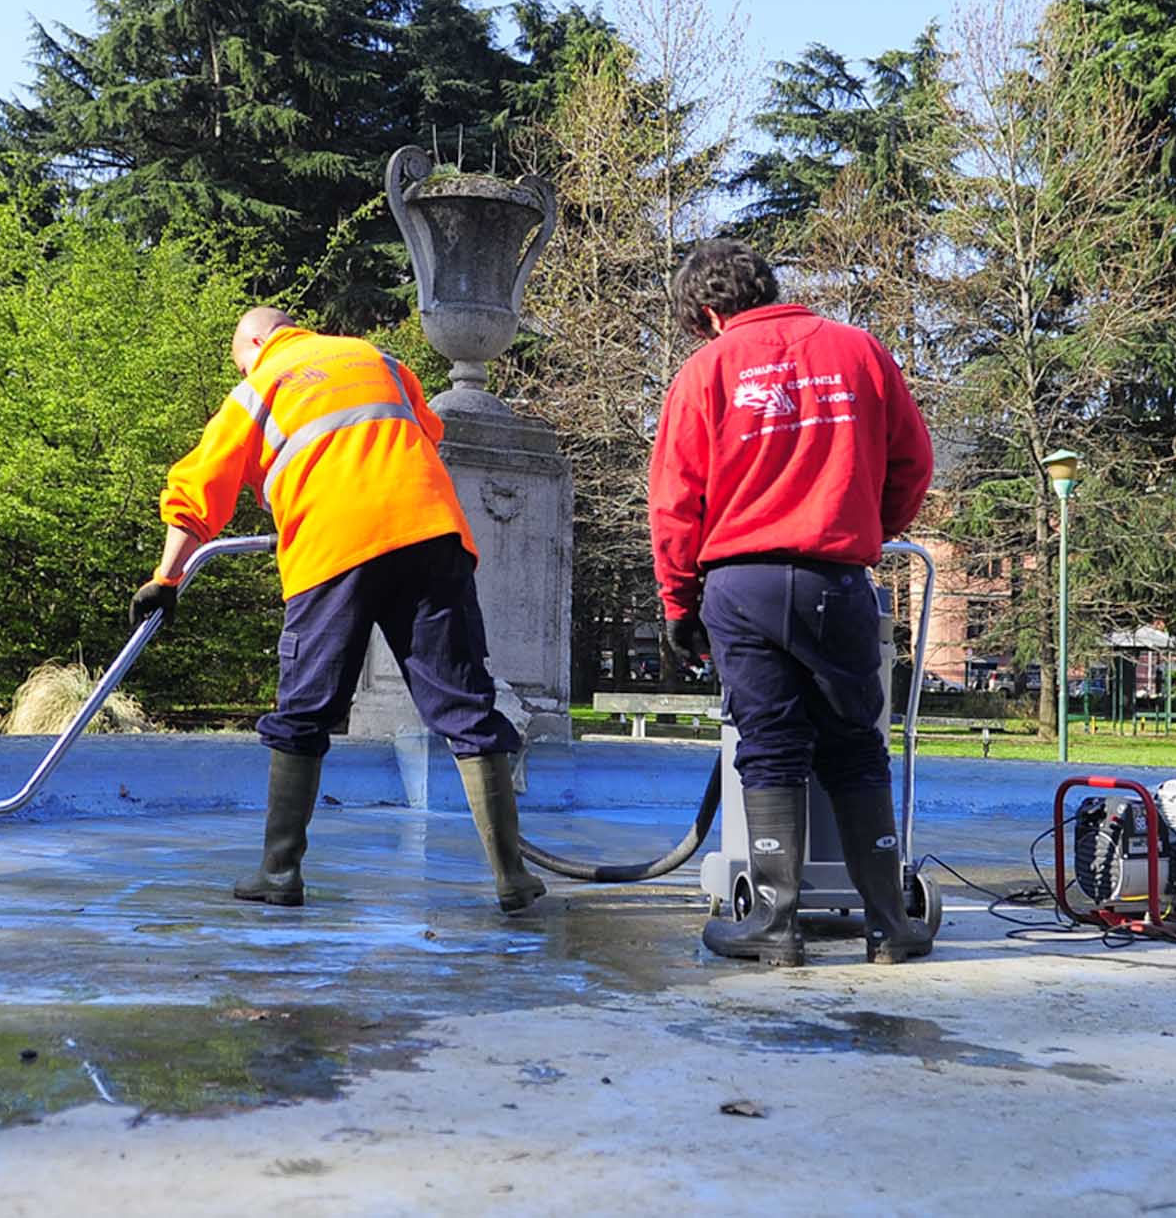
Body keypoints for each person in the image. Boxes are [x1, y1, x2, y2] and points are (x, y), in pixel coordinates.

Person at [134, 306, 545, 915]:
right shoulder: (378, 359)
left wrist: (166, 576)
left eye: (238, 358)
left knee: (305, 709)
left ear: (254, 341)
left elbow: (199, 487)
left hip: (334, 549)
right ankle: (512, 876)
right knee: (465, 704)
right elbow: (421, 434)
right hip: (430, 532)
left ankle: (279, 873)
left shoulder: (258, 386)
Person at [647, 239, 934, 966]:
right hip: (836, 582)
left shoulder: (706, 370)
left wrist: (679, 604)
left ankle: (774, 923)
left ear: (710, 312)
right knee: (856, 745)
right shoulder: (860, 352)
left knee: (768, 746)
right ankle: (889, 925)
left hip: (740, 586)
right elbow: (914, 462)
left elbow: (676, 501)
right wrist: (869, 524)